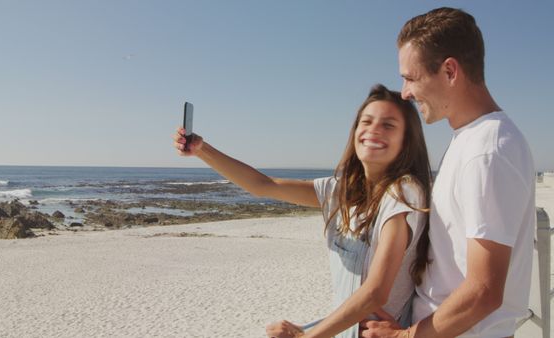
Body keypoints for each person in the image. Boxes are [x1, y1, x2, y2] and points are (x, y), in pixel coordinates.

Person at [172, 84, 432, 338]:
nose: (374, 130)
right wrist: (201, 150)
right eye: (366, 121)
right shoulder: (341, 191)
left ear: (406, 141)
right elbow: (263, 185)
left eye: (388, 125)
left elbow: (376, 292)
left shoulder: (403, 192)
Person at [361, 7, 536, 338]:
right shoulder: (471, 139)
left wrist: (405, 336)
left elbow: (484, 290)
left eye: (411, 78)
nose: (405, 93)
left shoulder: (488, 150)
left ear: (450, 71)